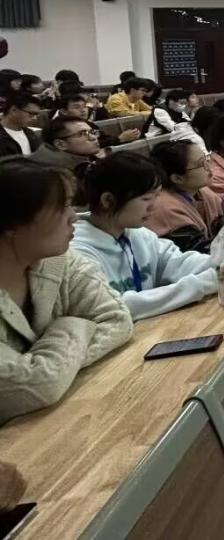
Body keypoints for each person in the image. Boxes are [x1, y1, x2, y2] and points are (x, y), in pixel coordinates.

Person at [0, 159, 133, 423]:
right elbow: (36, 386)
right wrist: (73, 325)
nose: (74, 216)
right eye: (62, 207)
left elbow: (117, 320)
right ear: (11, 225)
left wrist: (53, 369)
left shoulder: (59, 259)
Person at [70, 153, 217, 321]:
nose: (153, 207)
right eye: (146, 198)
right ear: (108, 200)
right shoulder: (77, 253)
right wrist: (203, 283)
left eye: (157, 196)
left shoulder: (139, 235)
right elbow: (116, 306)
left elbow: (179, 263)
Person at [29, 116, 102, 173]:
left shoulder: (81, 160)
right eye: (82, 134)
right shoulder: (52, 176)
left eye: (92, 132)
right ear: (60, 144)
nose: (93, 137)